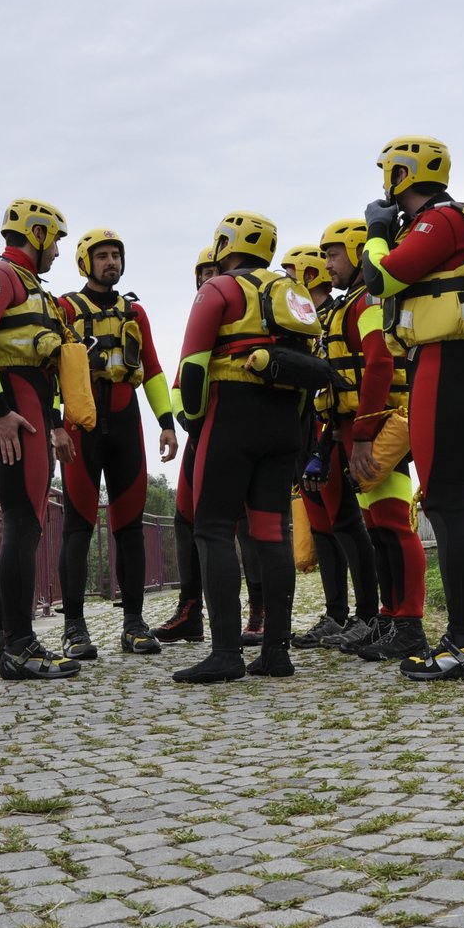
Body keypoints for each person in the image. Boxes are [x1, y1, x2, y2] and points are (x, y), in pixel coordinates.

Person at [361, 136, 464, 680]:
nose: (385, 185)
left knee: (447, 504)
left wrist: (377, 234)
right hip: (452, 365)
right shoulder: (450, 221)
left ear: (402, 174)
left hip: (446, 365)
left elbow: (382, 277)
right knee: (455, 501)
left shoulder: (440, 220)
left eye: (389, 174)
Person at [173, 212, 321, 682]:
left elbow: (193, 364)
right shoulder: (292, 291)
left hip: (230, 413)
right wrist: (296, 432)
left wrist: (194, 422)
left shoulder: (217, 289)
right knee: (271, 532)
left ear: (224, 244)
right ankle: (276, 652)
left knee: (213, 529)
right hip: (283, 420)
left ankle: (225, 654)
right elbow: (306, 364)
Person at [0, 199, 80, 679]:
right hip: (13, 404)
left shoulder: (31, 284)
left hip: (29, 402)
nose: (58, 252)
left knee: (26, 522)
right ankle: (21, 648)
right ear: (38, 233)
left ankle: (4, 637)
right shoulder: (1, 274)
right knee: (23, 523)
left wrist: (51, 421)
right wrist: (1, 409)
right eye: (57, 241)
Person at [55, 229, 178, 659]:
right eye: (102, 256)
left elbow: (154, 369)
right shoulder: (66, 308)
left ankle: (134, 623)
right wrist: (55, 423)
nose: (111, 262)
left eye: (115, 256)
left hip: (127, 423)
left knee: (129, 525)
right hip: (79, 427)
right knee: (77, 525)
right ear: (86, 263)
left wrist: (166, 422)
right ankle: (73, 628)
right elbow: (52, 368)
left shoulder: (135, 311)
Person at [320, 218, 432, 663]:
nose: (326, 263)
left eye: (332, 254)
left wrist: (364, 433)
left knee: (393, 526)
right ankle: (390, 617)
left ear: (354, 249)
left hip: (380, 425)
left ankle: (410, 625)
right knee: (376, 529)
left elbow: (380, 364)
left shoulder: (368, 299)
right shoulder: (348, 303)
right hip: (358, 427)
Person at [281, 245, 380, 652]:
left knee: (346, 522)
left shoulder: (339, 313)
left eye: (289, 274)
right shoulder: (305, 322)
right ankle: (337, 612)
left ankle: (368, 614)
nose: (284, 282)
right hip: (311, 434)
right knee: (324, 527)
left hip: (335, 429)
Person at [151, 247, 219, 644]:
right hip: (201, 431)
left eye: (215, 270)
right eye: (203, 273)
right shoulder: (198, 318)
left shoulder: (243, 309)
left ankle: (261, 616)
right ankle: (190, 611)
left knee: (245, 524)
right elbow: (179, 382)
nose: (208, 278)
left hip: (238, 430)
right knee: (185, 517)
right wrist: (183, 420)